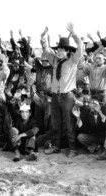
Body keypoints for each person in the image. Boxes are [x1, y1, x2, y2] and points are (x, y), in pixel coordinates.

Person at [40, 23, 84, 157]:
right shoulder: (54, 61)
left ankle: (72, 149)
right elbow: (46, 49)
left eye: (62, 50)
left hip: (68, 96)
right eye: (58, 50)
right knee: (55, 123)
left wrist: (74, 33)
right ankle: (56, 146)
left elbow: (81, 47)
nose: (59, 52)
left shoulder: (73, 61)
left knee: (69, 123)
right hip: (55, 96)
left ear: (67, 51)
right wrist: (42, 36)